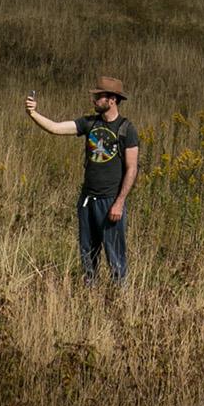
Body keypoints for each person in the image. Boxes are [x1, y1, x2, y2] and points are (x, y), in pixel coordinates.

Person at [25, 75, 140, 286]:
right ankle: (89, 295)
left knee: (115, 256)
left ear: (112, 99)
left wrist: (119, 202)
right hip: (87, 200)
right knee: (88, 253)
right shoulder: (89, 123)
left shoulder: (126, 129)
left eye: (99, 96)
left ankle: (119, 300)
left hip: (110, 201)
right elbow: (55, 128)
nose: (94, 100)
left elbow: (132, 169)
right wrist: (33, 113)